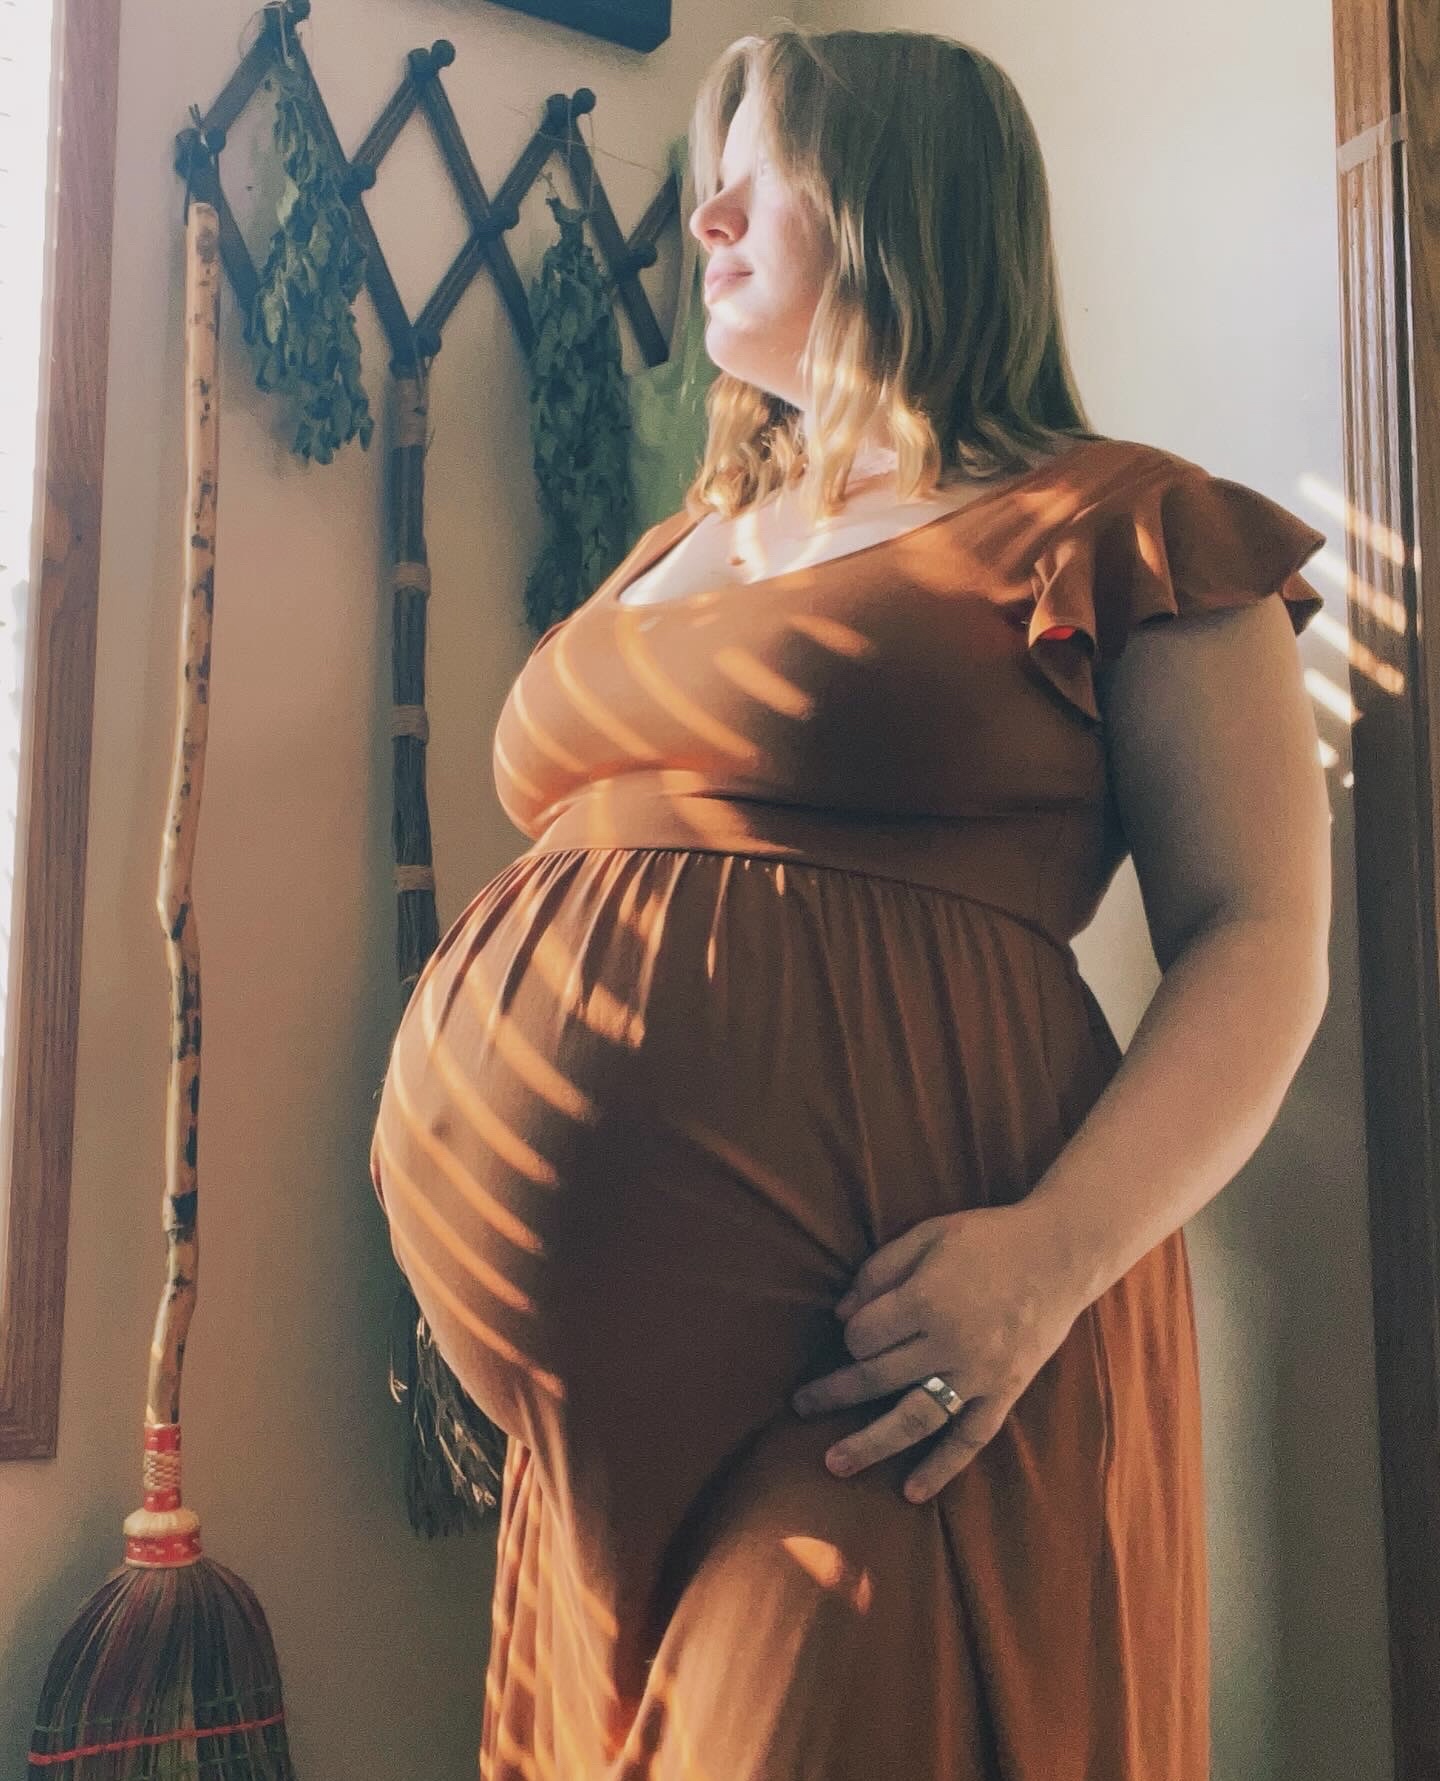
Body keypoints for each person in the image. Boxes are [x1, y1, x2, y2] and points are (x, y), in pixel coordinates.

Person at [370, 25, 1331, 1780]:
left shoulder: (1121, 523)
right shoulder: (682, 543)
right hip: (595, 1450)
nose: (707, 214)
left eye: (761, 171)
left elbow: (1260, 937)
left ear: (904, 197)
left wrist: (1051, 1261)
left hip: (891, 1367)